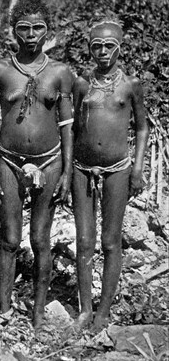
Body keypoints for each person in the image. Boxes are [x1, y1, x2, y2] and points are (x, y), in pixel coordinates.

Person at [0, 0, 74, 328]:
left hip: (49, 162)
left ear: (48, 31)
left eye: (38, 28)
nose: (31, 35)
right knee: (9, 238)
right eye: (24, 28)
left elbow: (67, 126)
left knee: (39, 239)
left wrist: (65, 170)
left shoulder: (60, 72)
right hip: (8, 161)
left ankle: (37, 311)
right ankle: (5, 309)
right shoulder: (0, 70)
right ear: (13, 31)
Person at [72, 19, 149, 331]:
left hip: (118, 168)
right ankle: (85, 309)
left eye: (109, 46)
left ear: (120, 47)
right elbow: (73, 128)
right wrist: (67, 170)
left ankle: (104, 310)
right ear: (89, 48)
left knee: (110, 240)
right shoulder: (81, 85)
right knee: (85, 239)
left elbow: (141, 127)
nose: (102, 52)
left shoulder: (131, 86)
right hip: (81, 168)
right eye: (96, 46)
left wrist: (139, 169)